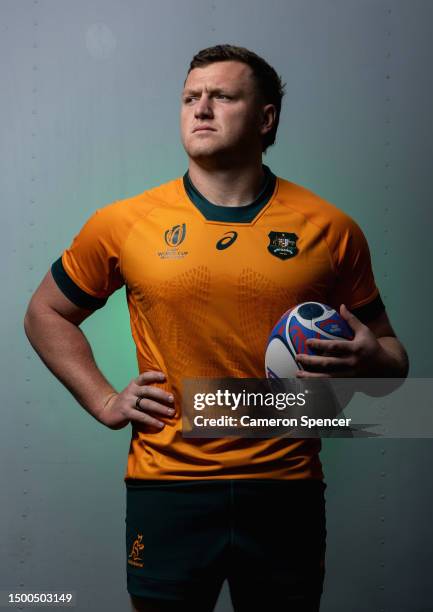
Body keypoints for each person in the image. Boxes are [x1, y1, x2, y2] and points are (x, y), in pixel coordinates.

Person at [24, 44, 409, 612]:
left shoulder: (330, 228)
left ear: (265, 118)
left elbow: (395, 362)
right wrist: (104, 398)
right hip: (167, 487)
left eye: (222, 96)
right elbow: (44, 313)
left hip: (287, 490)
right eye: (189, 98)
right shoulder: (125, 222)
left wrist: (371, 362)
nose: (200, 109)